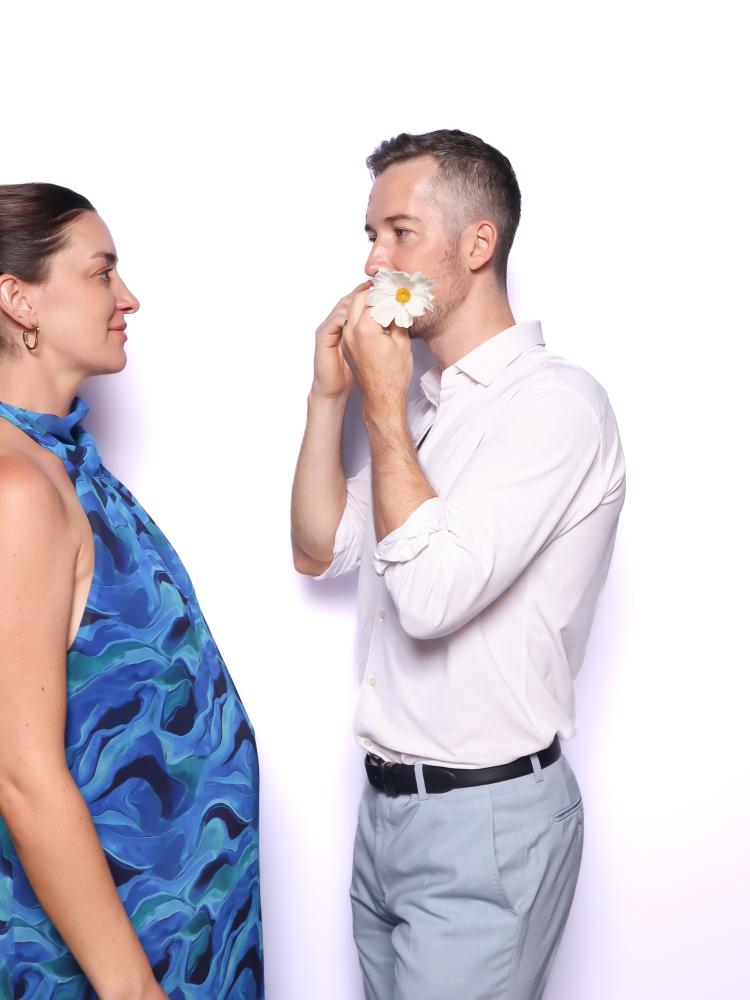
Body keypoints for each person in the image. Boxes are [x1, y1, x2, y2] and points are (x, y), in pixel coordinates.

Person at [291, 130, 626, 999]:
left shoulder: (556, 406)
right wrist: (330, 398)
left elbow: (431, 598)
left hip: (486, 822)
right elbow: (317, 547)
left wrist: (382, 402)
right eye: (371, 235)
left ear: (477, 245)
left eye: (400, 233)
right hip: (387, 815)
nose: (374, 261)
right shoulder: (429, 409)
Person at [0, 183, 263, 1000]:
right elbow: (20, 773)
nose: (128, 298)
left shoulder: (65, 461)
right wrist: (132, 988)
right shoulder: (17, 489)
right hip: (115, 961)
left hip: (177, 932)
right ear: (18, 300)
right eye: (101, 272)